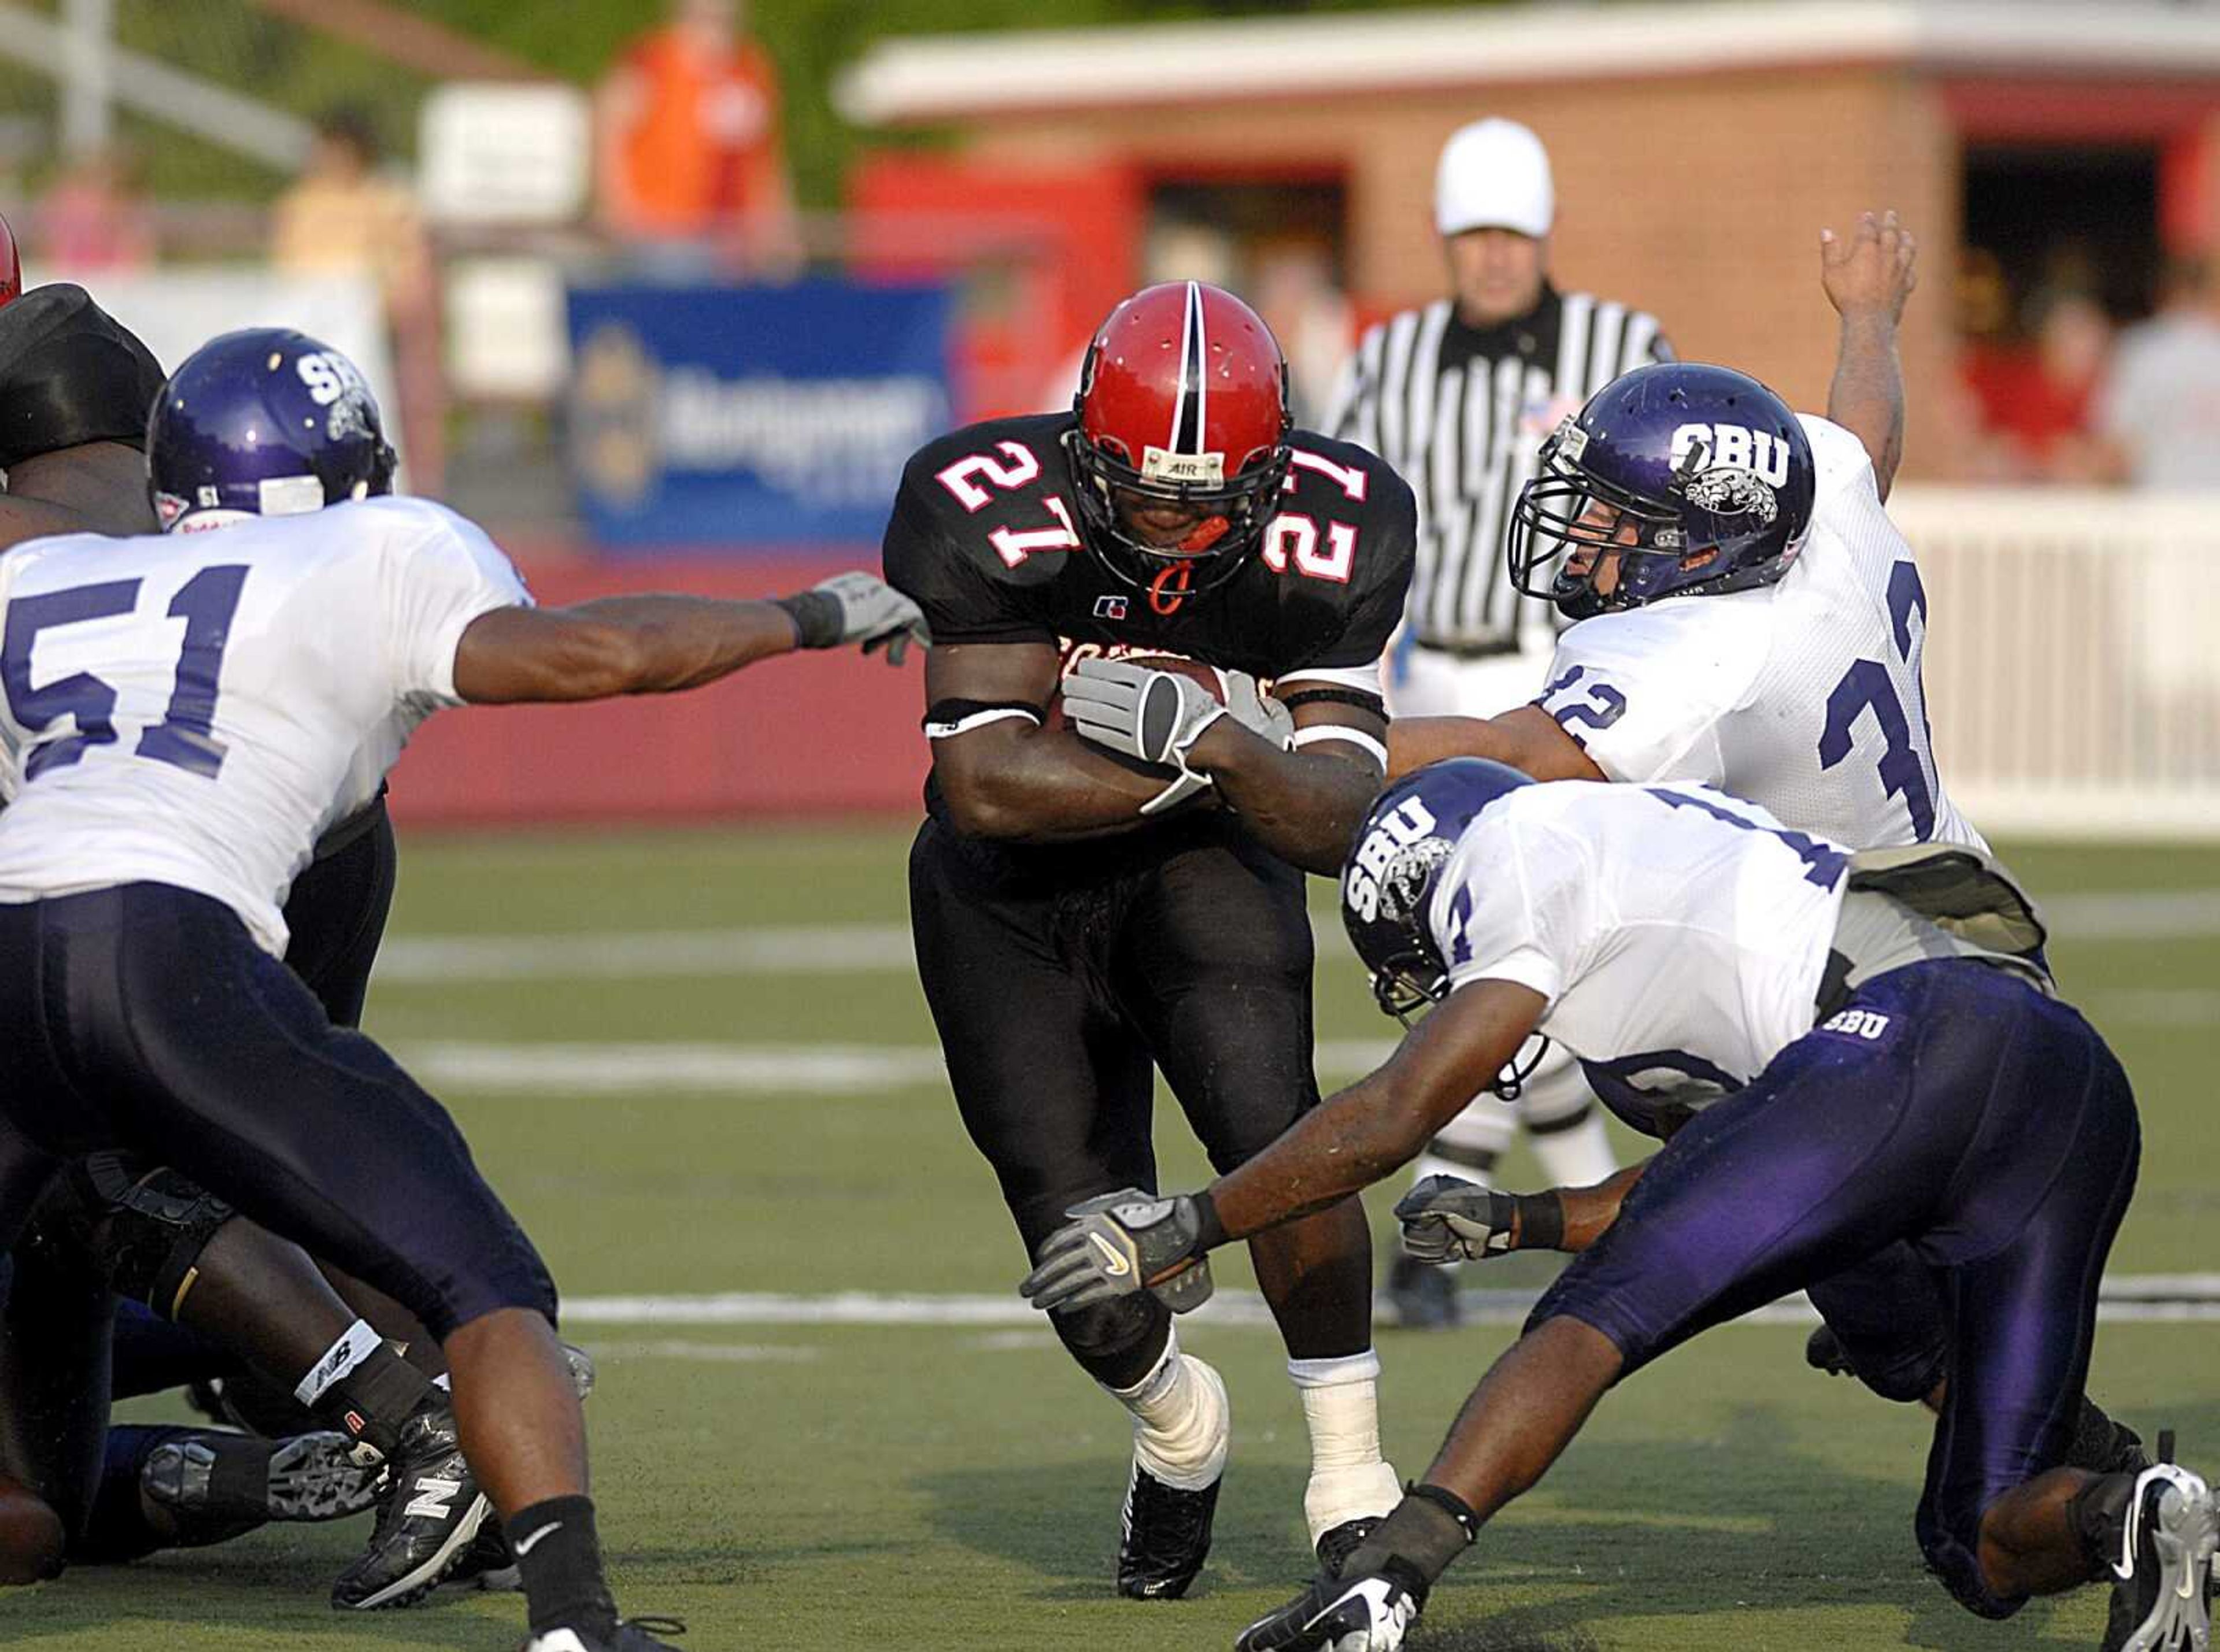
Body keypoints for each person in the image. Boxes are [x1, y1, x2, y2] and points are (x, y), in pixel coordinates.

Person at [0, 325, 924, 1651]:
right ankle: (567, 1613)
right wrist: (806, 615)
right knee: (482, 1279)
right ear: (355, 469)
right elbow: (590, 656)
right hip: (160, 939)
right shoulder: (370, 550)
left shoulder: (44, 565)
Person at [1023, 760, 2208, 1652]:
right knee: (1980, 1541)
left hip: (1906, 1048)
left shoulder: (1518, 849)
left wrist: (1184, 1224)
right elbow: (1724, 1169)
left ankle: (1388, 1574)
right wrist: (1526, 1219)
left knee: (1602, 1309)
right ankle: (2130, 1505)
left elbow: (1391, 1114)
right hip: (2059, 1082)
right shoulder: (1639, 876)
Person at [1382, 214, 2148, 1476]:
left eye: (1617, 520)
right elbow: (1868, 436)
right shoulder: (1826, 507)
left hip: (1877, 990)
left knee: (1656, 1051)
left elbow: (1507, 762)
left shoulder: (1693, 650)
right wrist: (1868, 317)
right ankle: (1950, 1345)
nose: (1582, 541)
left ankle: (2020, 1416)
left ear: (1703, 540)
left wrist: (1298, 727)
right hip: (1971, 923)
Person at [0, 263, 554, 1608]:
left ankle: (374, 1393)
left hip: (82, 960)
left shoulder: (28, 558)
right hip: (309, 856)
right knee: (213, 1168)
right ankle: (372, 1383)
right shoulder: (281, 563)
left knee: (28, 1500)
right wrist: (796, 620)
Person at [883, 280, 1415, 1598]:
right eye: (1148, 489)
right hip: (1005, 890)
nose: (1177, 520)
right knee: (1078, 1251)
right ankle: (1178, 1426)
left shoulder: (1340, 526)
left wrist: (1220, 746)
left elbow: (1338, 815)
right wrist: (1213, 763)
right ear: (1081, 447)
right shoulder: (984, 499)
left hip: (1201, 874)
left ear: (1275, 470)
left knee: (1272, 1133)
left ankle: (1351, 1480)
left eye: (1209, 492)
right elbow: (984, 783)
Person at [1323, 118, 1672, 1317]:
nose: (1493, 257)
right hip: (1426, 679)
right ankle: (1567, 1210)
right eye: (1473, 233)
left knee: (1525, 944)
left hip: (1569, 678)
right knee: (1475, 948)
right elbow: (1351, 516)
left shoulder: (1621, 345)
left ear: (1543, 234)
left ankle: (1446, 1215)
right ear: (1444, 238)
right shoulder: (1392, 355)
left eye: (1511, 233)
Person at [594, 0, 802, 272]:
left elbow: (765, 160)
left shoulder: (751, 69)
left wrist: (779, 226)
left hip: (735, 241)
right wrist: (620, 211)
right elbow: (609, 133)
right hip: (662, 235)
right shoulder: (651, 61)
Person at [2095, 253, 2220, 490]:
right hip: (2184, 512)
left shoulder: (2140, 349)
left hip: (2159, 511)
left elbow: (2114, 450)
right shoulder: (2141, 349)